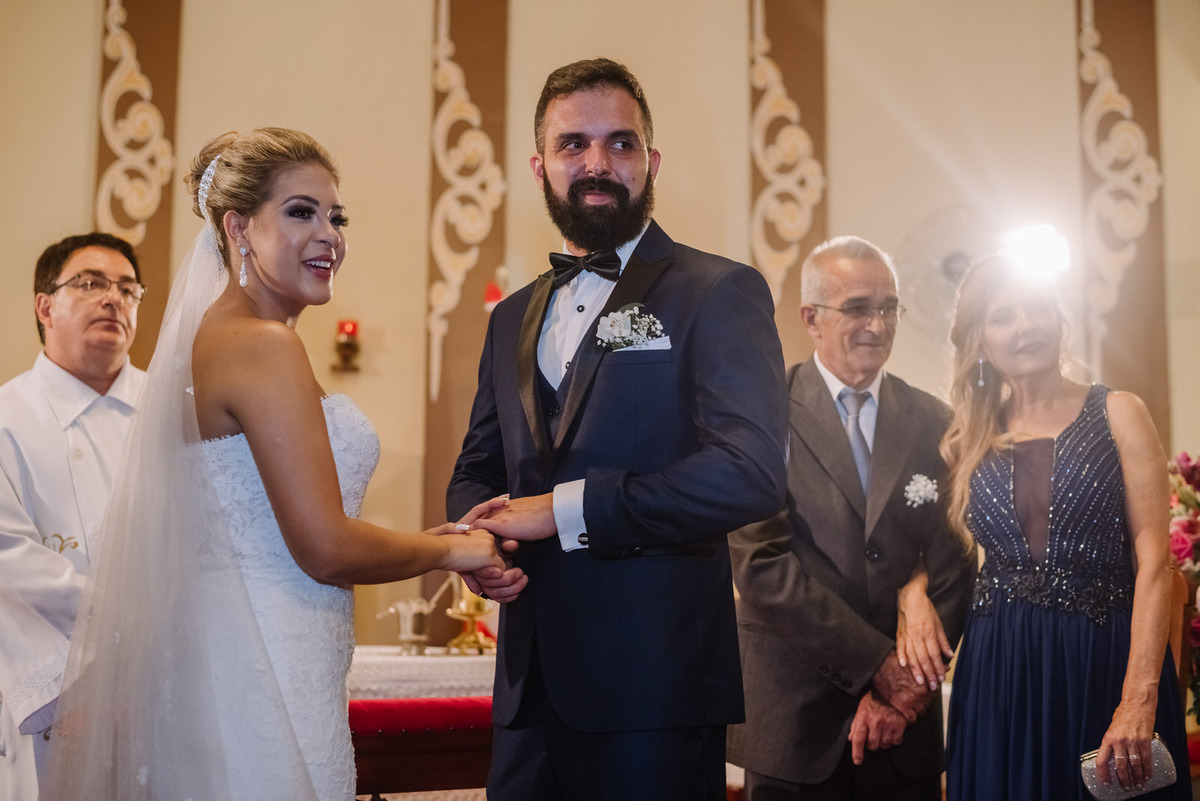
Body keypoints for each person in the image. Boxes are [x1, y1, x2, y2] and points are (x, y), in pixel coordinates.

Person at [42, 128, 517, 801]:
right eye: (301, 212)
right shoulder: (262, 345)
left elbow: (277, 524)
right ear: (238, 228)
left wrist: (434, 540)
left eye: (336, 215)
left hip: (244, 657)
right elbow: (323, 545)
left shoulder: (220, 338)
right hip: (267, 667)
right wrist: (455, 553)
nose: (330, 234)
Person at [447, 58, 788, 800]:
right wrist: (479, 542)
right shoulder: (509, 316)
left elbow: (750, 471)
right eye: (574, 145)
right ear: (540, 166)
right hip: (528, 697)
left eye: (621, 143)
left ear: (651, 162)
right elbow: (478, 466)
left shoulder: (718, 291)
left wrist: (565, 509)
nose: (598, 163)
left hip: (656, 693)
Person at [901, 252, 1191, 800]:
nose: (1025, 326)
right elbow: (931, 549)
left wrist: (1139, 696)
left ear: (1060, 320)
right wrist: (913, 589)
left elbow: (1156, 561)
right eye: (1003, 316)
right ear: (980, 340)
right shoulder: (966, 439)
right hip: (999, 672)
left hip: (1102, 663)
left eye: (1037, 309)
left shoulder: (1120, 412)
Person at [725, 236, 976, 800]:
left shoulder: (935, 421)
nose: (878, 325)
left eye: (889, 308)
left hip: (903, 731)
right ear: (811, 318)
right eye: (859, 308)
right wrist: (878, 667)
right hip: (795, 720)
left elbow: (956, 561)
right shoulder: (762, 416)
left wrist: (901, 693)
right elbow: (761, 564)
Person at [0, 232, 146, 801]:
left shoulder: (175, 415)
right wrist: (90, 677)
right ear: (45, 306)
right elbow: (8, 559)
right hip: (55, 699)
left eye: (128, 288)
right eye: (90, 283)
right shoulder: (8, 418)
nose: (113, 298)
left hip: (162, 684)